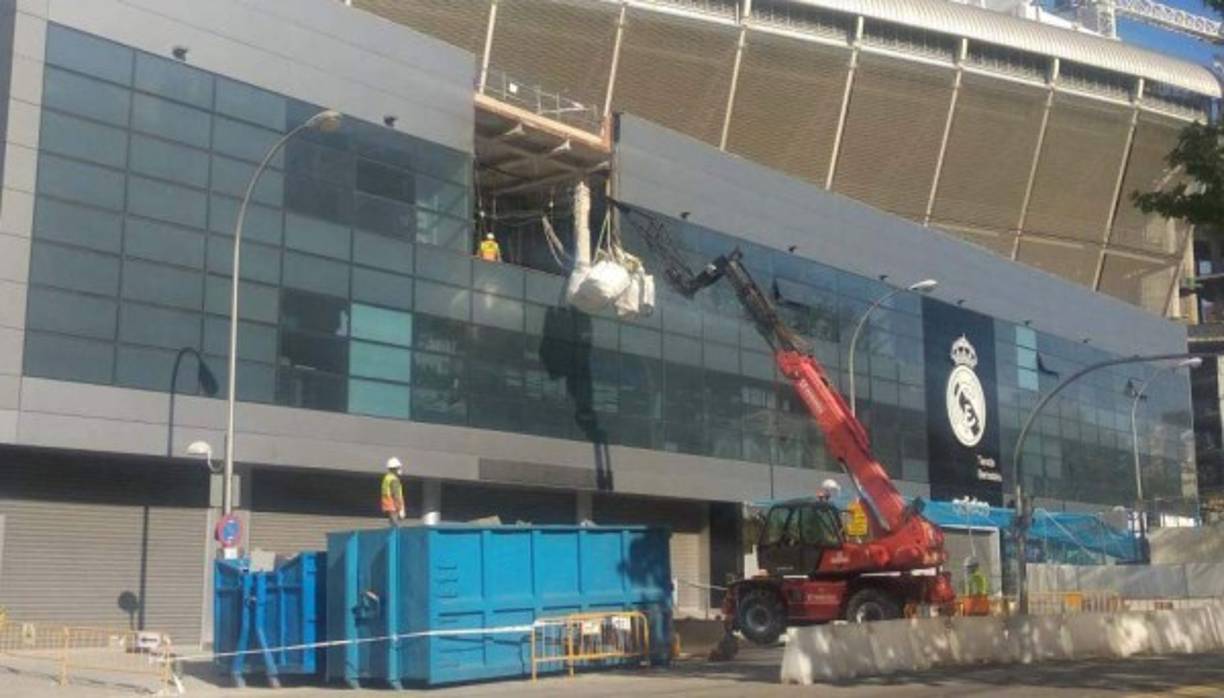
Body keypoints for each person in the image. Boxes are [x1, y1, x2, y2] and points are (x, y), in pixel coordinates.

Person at [381, 457, 406, 526]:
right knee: (396, 526)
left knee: (392, 524)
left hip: (388, 506)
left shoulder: (386, 478)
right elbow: (396, 495)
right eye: (398, 468)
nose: (400, 469)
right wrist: (400, 509)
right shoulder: (394, 480)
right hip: (394, 507)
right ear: (395, 469)